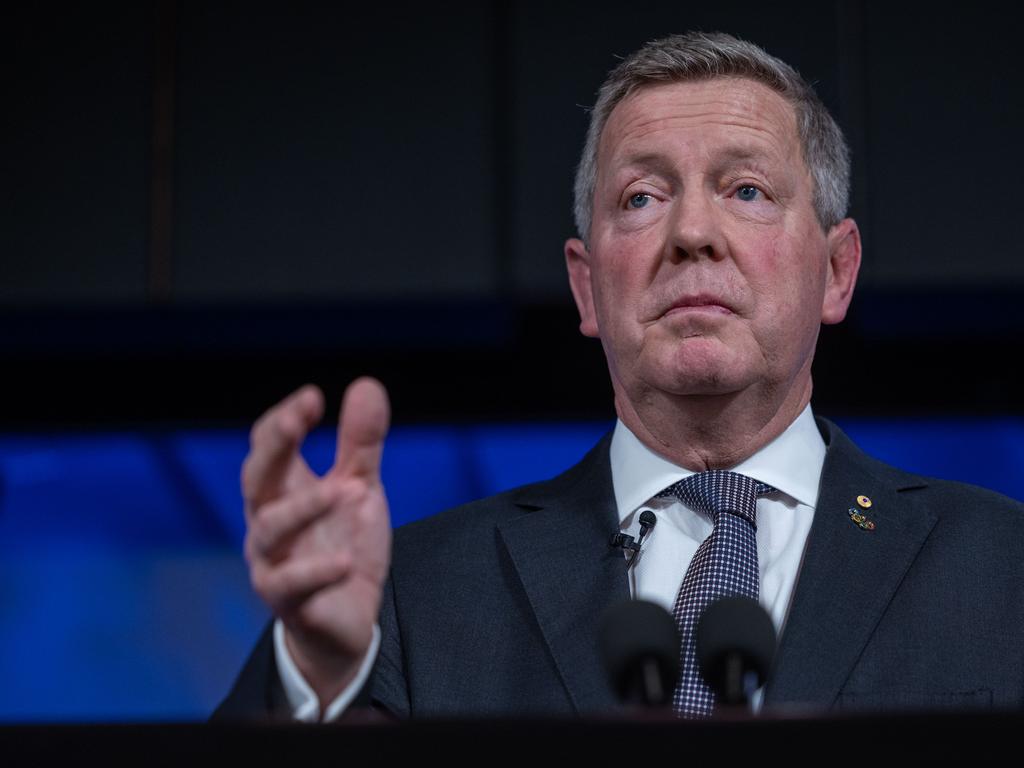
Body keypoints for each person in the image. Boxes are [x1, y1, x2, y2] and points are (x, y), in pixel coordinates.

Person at [215, 32, 1024, 720]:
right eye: (641, 198)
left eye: (746, 190)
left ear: (838, 271)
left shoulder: (1000, 565)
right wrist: (317, 676)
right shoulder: (419, 593)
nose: (693, 233)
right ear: (586, 285)